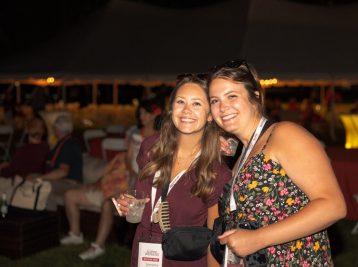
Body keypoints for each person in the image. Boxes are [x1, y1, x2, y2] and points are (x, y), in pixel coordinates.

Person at [207, 59, 346, 266]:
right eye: (214, 100)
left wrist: (258, 239)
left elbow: (333, 206)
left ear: (255, 96)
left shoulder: (284, 134)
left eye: (232, 96)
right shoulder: (243, 155)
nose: (222, 107)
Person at [117, 74, 231, 267]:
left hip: (183, 260)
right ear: (171, 109)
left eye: (197, 104)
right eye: (181, 102)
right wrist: (128, 203)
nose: (187, 110)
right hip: (144, 250)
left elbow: (215, 240)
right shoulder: (151, 147)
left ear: (210, 115)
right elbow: (145, 197)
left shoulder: (217, 173)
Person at [60, 99, 163, 261]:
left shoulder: (161, 139)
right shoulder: (135, 134)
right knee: (70, 195)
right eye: (140, 112)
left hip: (137, 188)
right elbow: (128, 162)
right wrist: (106, 179)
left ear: (155, 114)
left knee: (108, 203)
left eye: (146, 113)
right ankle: (75, 234)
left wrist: (133, 183)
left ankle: (97, 246)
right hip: (120, 182)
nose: (142, 116)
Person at [30, 114, 83, 211]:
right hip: (62, 180)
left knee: (45, 184)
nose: (53, 129)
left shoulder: (69, 145)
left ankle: (50, 217)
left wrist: (41, 177)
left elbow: (62, 172)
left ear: (57, 129)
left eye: (54, 127)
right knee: (31, 177)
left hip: (70, 183)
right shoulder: (61, 143)